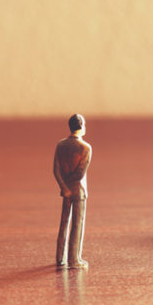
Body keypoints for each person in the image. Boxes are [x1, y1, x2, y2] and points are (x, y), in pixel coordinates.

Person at [54, 114, 92, 269]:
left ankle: (60, 257)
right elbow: (80, 173)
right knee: (77, 224)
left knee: (64, 223)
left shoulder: (60, 145)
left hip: (66, 190)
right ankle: (74, 259)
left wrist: (64, 187)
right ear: (81, 126)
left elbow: (56, 170)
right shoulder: (85, 148)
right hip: (78, 191)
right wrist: (71, 187)